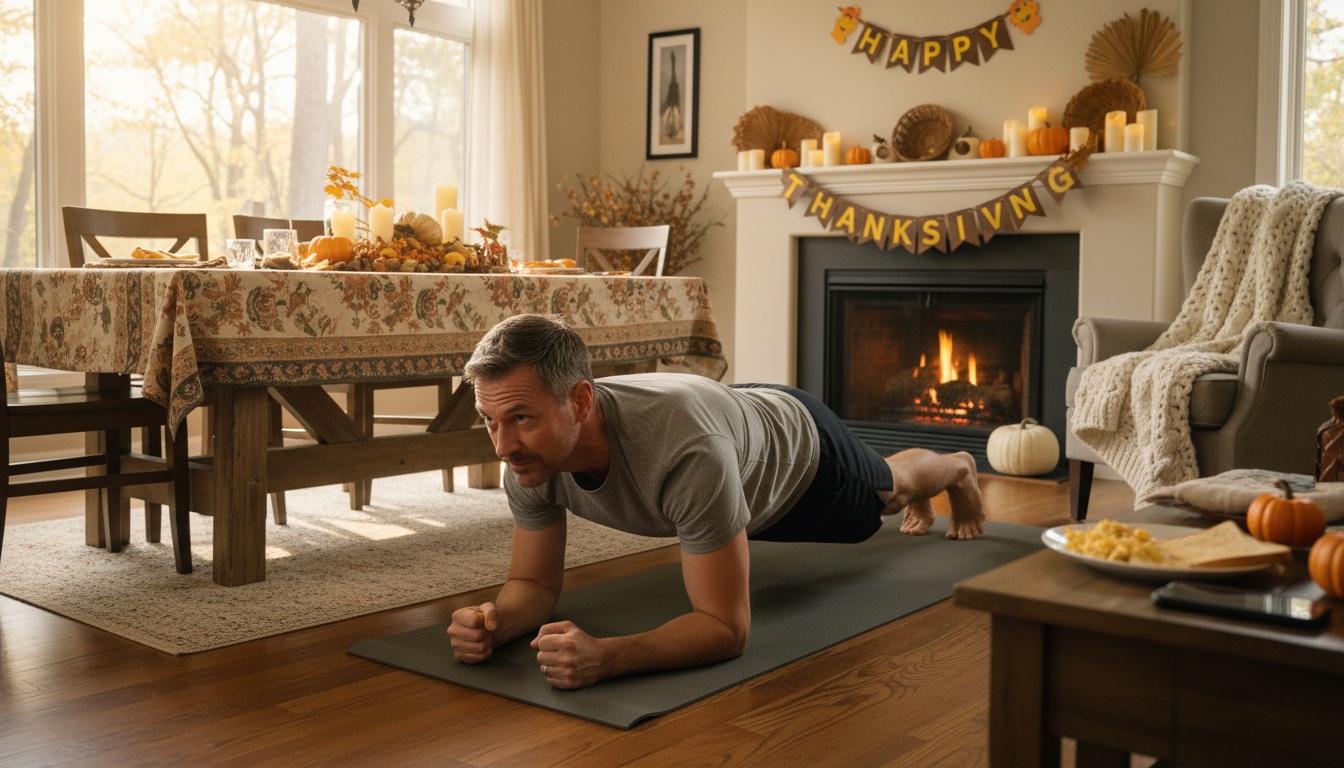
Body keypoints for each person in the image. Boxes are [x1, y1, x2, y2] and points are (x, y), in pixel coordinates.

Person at [447, 314, 985, 690]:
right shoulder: (528, 457)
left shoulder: (686, 451)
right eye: (490, 421)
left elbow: (726, 629)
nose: (502, 445)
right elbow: (535, 586)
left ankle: (958, 467)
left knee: (889, 494)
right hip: (730, 418)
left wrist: (608, 657)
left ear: (580, 401)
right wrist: (495, 621)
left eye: (520, 418)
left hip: (800, 454)